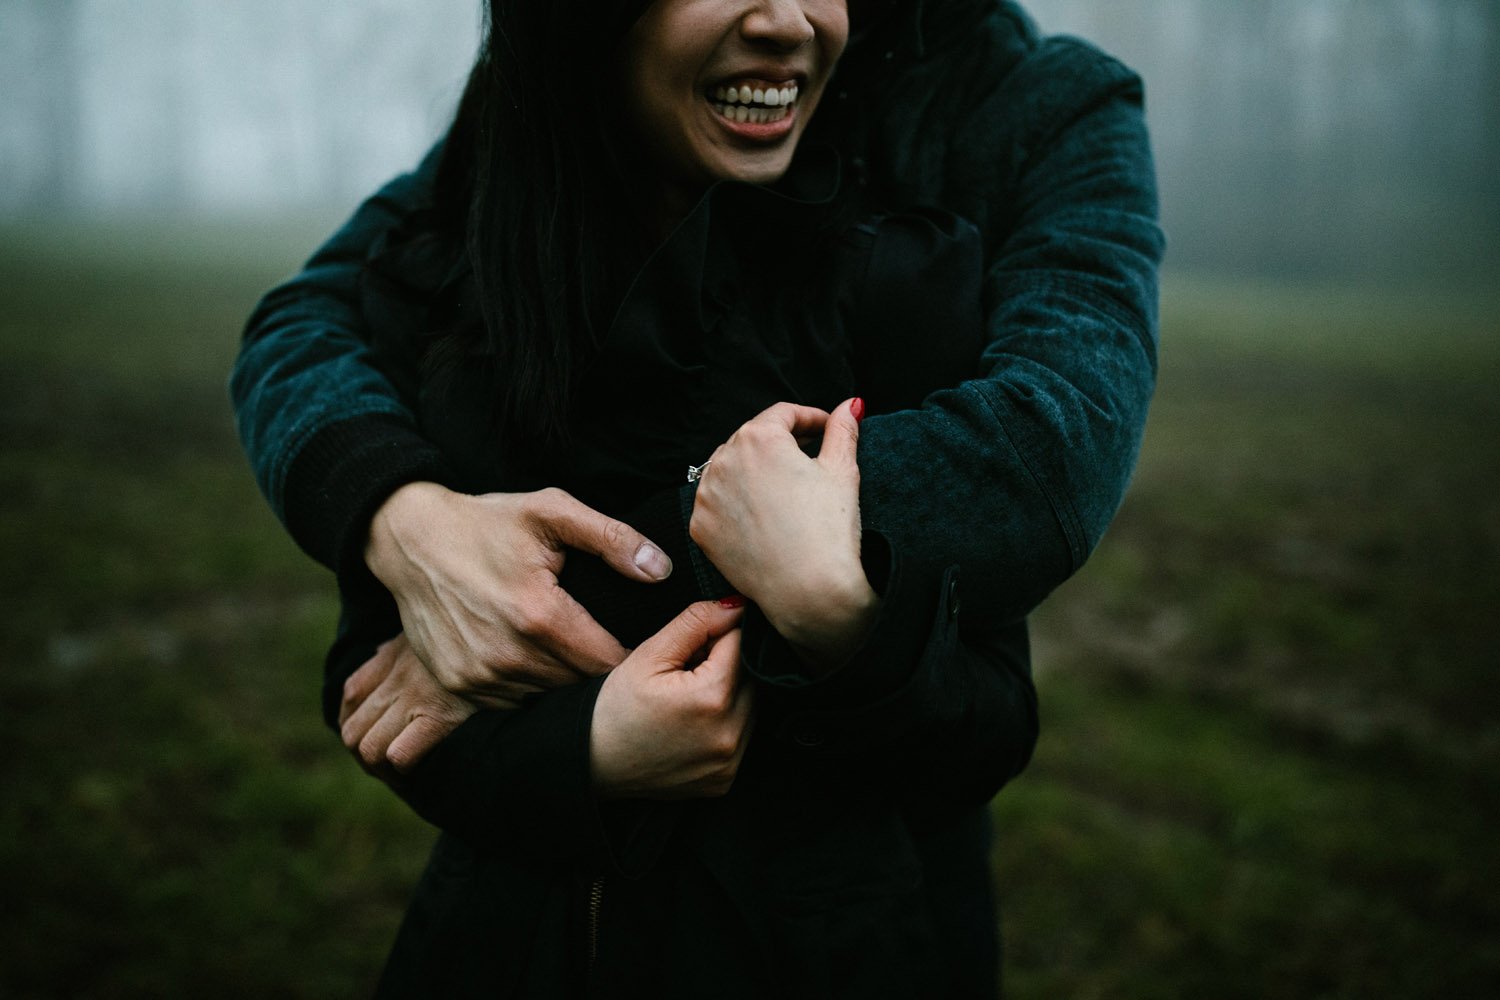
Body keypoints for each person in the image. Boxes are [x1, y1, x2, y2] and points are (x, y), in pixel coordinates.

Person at [231, 0, 1163, 995]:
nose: (783, 19)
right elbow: (306, 321)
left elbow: (1046, 457)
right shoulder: (543, 178)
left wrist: (549, 586)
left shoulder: (1024, 117)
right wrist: (404, 518)